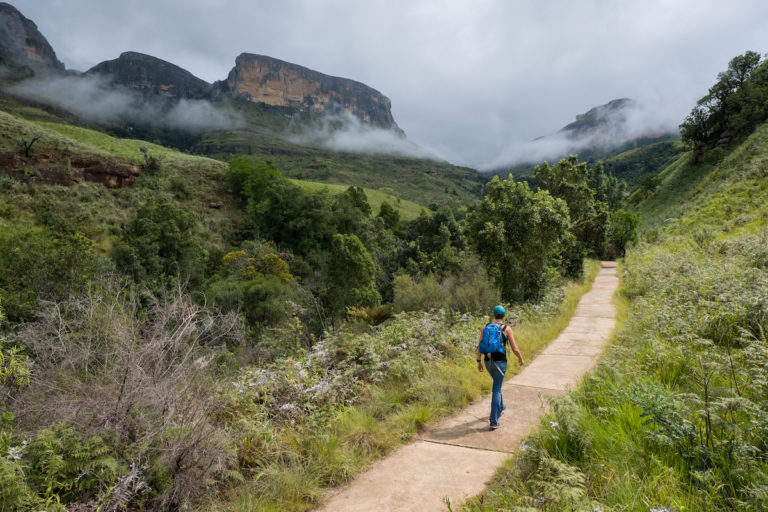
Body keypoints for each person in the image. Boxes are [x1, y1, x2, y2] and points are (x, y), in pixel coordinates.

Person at [476, 305, 524, 430]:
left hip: (487, 362)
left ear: (493, 314)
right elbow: (514, 348)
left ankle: (501, 406)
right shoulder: (506, 329)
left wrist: (478, 361)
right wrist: (520, 358)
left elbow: (479, 346)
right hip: (500, 363)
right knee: (496, 389)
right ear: (503, 315)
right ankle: (493, 420)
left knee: (497, 384)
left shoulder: (485, 327)